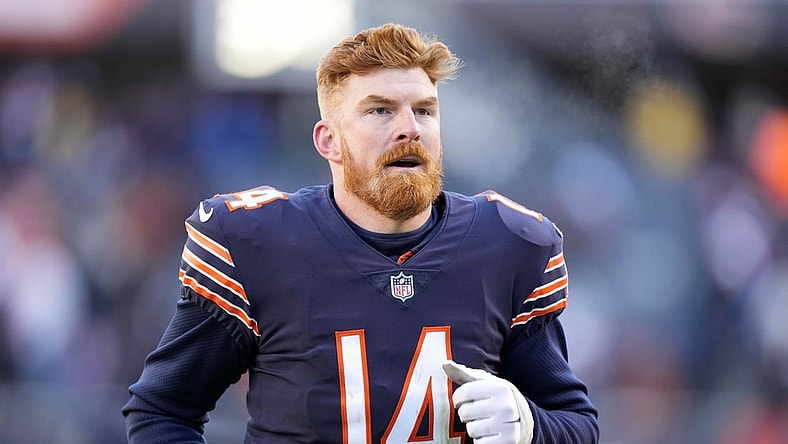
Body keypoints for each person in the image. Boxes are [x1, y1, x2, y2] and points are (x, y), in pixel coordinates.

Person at [122, 23, 599, 443]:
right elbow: (162, 411)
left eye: (425, 110)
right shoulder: (255, 242)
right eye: (380, 111)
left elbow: (577, 423)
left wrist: (531, 426)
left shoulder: (507, 245)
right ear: (329, 140)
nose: (409, 128)